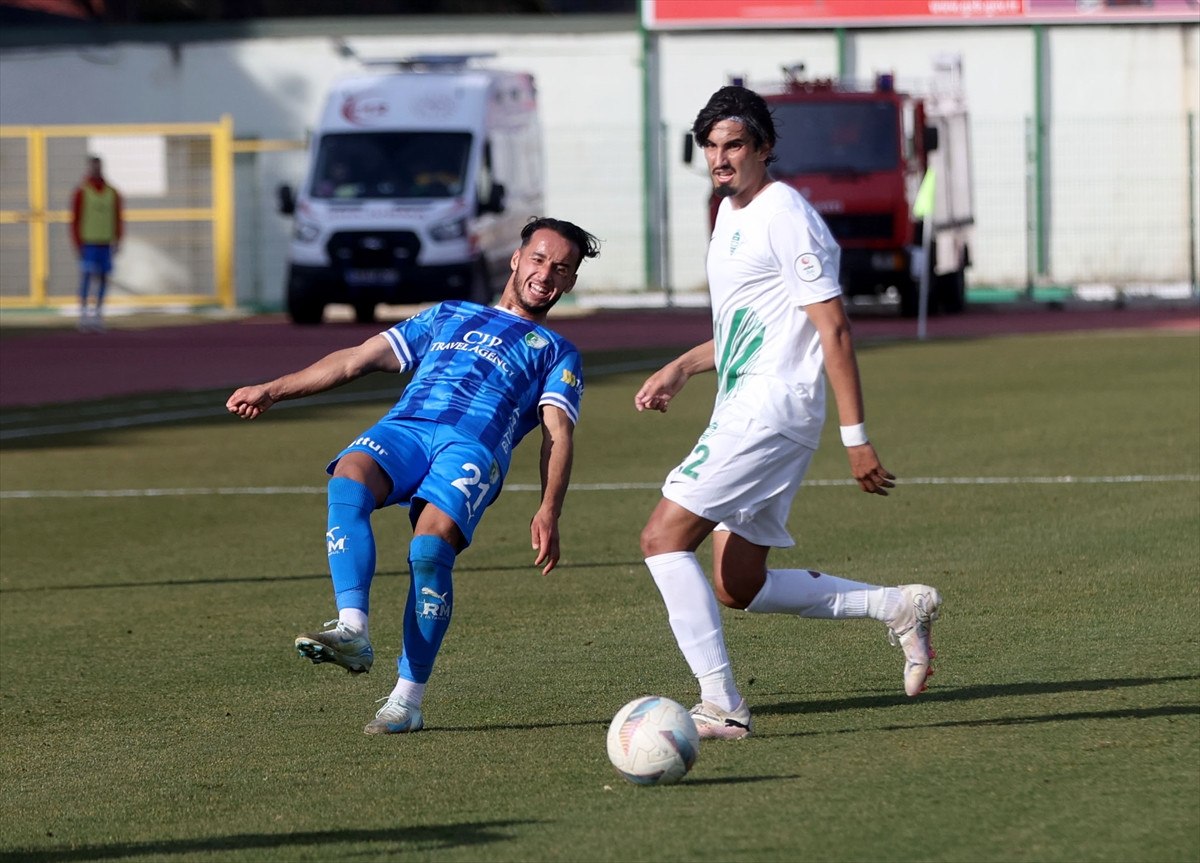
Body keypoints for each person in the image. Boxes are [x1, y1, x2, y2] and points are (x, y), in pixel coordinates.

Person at [634, 85, 942, 740]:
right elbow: (752, 324)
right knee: (736, 582)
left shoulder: (785, 213)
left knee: (662, 538)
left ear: (764, 148)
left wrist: (856, 437)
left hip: (770, 408)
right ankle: (898, 607)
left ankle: (722, 707)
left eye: (735, 144)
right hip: (750, 404)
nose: (721, 158)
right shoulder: (727, 215)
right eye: (711, 146)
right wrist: (683, 366)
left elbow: (832, 327)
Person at [226, 216, 600, 735]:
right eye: (539, 260)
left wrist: (548, 508)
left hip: (472, 447)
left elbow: (558, 434)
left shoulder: (558, 352)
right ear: (516, 259)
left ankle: (407, 700)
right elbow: (358, 358)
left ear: (570, 283)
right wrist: (273, 389)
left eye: (562, 269)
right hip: (406, 427)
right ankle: (353, 628)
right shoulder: (448, 315)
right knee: (349, 477)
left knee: (429, 550)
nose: (546, 275)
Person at [70, 156, 122, 332]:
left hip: (105, 242)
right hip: (89, 242)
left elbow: (118, 217)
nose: (95, 170)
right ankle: (84, 314)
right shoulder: (81, 191)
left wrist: (118, 239)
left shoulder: (112, 192)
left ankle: (98, 313)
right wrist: (77, 243)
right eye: (93, 167)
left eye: (98, 167)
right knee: (86, 276)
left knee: (103, 278)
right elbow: (75, 220)